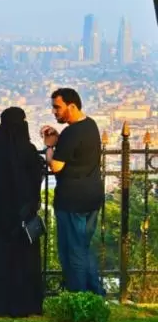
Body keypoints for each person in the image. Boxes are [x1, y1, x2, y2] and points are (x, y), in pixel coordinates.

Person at [0, 107, 46, 317]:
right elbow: (37, 177)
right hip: (23, 217)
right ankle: (25, 303)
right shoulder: (28, 151)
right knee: (24, 260)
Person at [41, 88, 106, 296]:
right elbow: (76, 150)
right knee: (84, 248)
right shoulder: (90, 125)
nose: (54, 111)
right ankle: (95, 294)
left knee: (73, 251)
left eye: (57, 107)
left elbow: (56, 166)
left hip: (72, 200)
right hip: (92, 196)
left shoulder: (71, 132)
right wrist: (61, 141)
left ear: (72, 106)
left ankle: (78, 297)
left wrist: (49, 147)